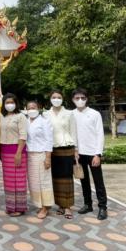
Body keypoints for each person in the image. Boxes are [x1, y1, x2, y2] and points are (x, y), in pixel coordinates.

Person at [72, 88, 108, 220]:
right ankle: (88, 204)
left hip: (93, 153)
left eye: (82, 98)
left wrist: (98, 154)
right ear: (73, 100)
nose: (80, 100)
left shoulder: (94, 114)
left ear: (87, 99)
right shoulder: (72, 114)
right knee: (84, 180)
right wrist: (75, 150)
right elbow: (72, 134)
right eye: (77, 98)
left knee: (98, 181)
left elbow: (100, 134)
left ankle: (103, 207)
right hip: (79, 154)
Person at [45, 90, 77, 219]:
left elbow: (73, 132)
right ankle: (60, 205)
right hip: (52, 149)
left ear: (63, 99)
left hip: (67, 147)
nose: (56, 99)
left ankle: (68, 206)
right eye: (54, 97)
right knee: (55, 178)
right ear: (50, 99)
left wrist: (76, 150)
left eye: (59, 97)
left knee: (67, 177)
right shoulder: (46, 114)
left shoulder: (69, 113)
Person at [0, 92, 28, 216]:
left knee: (19, 180)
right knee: (9, 181)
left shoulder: (20, 116)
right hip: (5, 152)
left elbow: (23, 135)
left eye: (12, 102)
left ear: (16, 104)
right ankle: (11, 206)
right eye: (7, 102)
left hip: (17, 151)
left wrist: (18, 153)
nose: (9, 105)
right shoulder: (2, 116)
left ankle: (19, 208)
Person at [25, 100, 54, 219]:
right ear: (26, 110)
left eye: (34, 107)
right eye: (29, 108)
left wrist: (48, 158)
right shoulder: (25, 122)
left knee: (44, 181)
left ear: (39, 108)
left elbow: (49, 140)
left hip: (41, 154)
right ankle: (39, 204)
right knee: (34, 182)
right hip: (29, 155)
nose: (32, 110)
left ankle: (45, 206)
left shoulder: (44, 122)